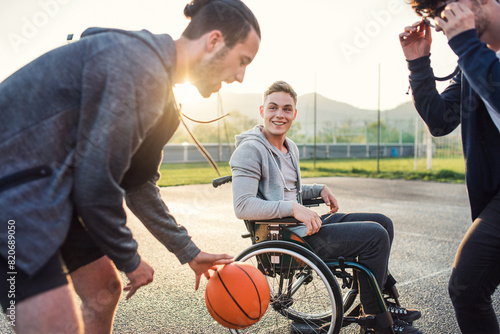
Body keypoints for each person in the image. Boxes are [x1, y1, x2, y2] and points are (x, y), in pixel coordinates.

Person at [0, 0, 260, 333]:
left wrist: (189, 251)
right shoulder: (138, 66)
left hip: (46, 186)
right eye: (242, 61)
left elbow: (138, 185)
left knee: (104, 292)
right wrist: (130, 259)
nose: (240, 77)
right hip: (15, 191)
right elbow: (96, 187)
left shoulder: (161, 95)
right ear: (213, 42)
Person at [229, 81, 422, 334]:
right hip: (287, 238)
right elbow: (243, 206)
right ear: (262, 110)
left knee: (383, 222)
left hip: (301, 228)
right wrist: (293, 208)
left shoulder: (290, 148)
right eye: (273, 108)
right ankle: (375, 319)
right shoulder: (249, 151)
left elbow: (289, 190)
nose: (279, 115)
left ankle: (377, 304)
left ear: (294, 114)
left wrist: (319, 188)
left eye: (287, 109)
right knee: (375, 236)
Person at [399, 1, 500, 333]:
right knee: (468, 289)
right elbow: (440, 120)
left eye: (445, 9)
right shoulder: (473, 57)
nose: (441, 25)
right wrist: (417, 63)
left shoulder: (472, 52)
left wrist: (468, 45)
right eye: (434, 17)